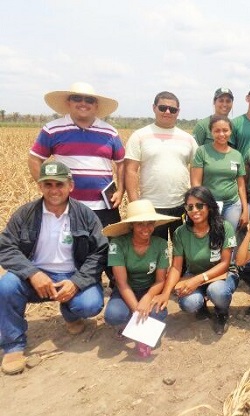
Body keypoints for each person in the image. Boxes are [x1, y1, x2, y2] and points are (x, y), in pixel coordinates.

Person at [0, 161, 107, 375]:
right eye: (48, 184)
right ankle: (13, 345)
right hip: (36, 277)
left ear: (70, 186)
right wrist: (32, 273)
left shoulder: (85, 215)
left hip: (72, 275)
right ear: (40, 187)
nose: (54, 190)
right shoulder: (26, 214)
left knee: (91, 304)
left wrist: (76, 283)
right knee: (6, 287)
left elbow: (100, 252)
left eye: (59, 184)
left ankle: (71, 314)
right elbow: (6, 247)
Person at [28, 82, 125, 227]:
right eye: (77, 98)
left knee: (105, 248)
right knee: (67, 248)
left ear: (96, 105)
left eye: (89, 100)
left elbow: (121, 163)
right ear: (69, 102)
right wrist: (47, 185)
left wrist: (121, 190)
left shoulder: (110, 132)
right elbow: (34, 159)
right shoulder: (52, 129)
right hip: (66, 206)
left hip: (104, 207)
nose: (83, 103)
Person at [152, 187, 239, 335]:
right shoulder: (181, 232)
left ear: (209, 206)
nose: (194, 210)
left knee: (217, 291)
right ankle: (201, 305)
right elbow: (176, 268)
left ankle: (222, 312)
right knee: (189, 303)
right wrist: (165, 293)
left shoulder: (225, 227)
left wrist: (199, 280)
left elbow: (225, 264)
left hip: (222, 275)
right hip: (194, 274)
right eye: (190, 207)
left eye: (199, 205)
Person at [102, 200, 179, 356]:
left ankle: (135, 323)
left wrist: (148, 297)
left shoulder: (161, 244)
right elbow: (122, 284)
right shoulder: (118, 244)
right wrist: (138, 311)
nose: (146, 228)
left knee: (159, 313)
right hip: (126, 290)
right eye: (140, 224)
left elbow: (160, 280)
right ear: (132, 226)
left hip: (150, 289)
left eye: (150, 223)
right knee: (113, 315)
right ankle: (131, 321)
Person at [124, 91, 198, 240]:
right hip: (151, 207)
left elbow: (197, 170)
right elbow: (130, 170)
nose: (167, 112)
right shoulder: (139, 136)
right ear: (154, 108)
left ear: (178, 112)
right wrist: (136, 206)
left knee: (182, 252)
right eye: (163, 108)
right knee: (154, 252)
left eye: (173, 109)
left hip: (181, 205)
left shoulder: (188, 139)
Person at [191, 115, 249, 232]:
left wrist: (245, 210)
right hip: (209, 205)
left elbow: (241, 186)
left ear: (231, 132)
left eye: (225, 130)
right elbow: (196, 182)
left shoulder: (237, 155)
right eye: (217, 131)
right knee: (210, 238)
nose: (221, 134)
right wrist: (200, 205)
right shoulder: (202, 151)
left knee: (229, 238)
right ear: (211, 132)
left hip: (232, 205)